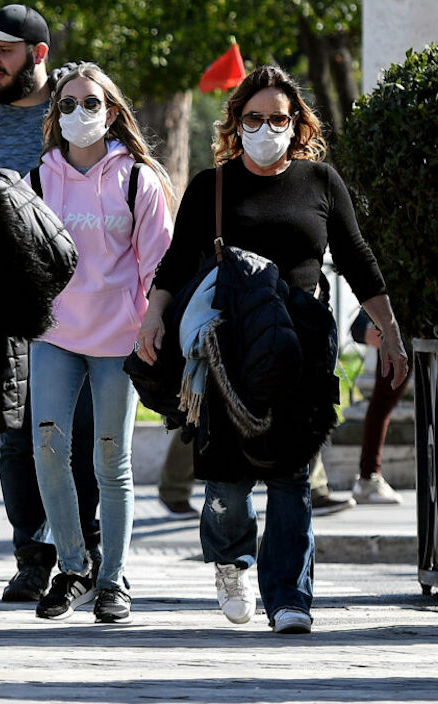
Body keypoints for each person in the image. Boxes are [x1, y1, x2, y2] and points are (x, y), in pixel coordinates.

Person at [135, 64, 409, 634]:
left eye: (278, 118)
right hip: (228, 347)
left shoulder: (321, 182)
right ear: (236, 122)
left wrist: (389, 330)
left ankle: (289, 594)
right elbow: (176, 261)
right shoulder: (212, 187)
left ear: (297, 124)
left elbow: (357, 259)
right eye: (254, 118)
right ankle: (233, 561)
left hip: (302, 343)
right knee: (229, 480)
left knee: (291, 472)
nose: (266, 128)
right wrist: (153, 317)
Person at [29, 63, 174, 625]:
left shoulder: (138, 178)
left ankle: (113, 581)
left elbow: (158, 263)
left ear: (112, 112)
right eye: (66, 105)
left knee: (112, 459)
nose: (78, 115)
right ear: (54, 115)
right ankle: (74, 568)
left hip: (121, 338)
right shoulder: (37, 180)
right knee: (48, 452)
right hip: (55, 335)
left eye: (91, 104)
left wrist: (151, 323)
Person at [0, 7, 102, 601]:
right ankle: (32, 554)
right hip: (6, 304)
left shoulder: (72, 116)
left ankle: (88, 549)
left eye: (7, 51)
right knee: (16, 435)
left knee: (82, 434)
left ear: (39, 55)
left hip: (83, 305)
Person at [348, 309, 408, 504]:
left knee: (382, 405)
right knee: (381, 404)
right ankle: (368, 476)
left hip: (403, 332)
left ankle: (368, 476)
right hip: (400, 334)